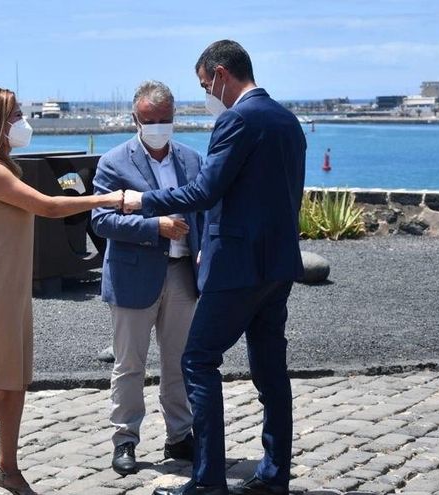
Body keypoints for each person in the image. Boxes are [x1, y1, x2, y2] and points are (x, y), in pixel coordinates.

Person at [123, 40, 307, 495]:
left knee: (197, 360)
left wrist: (141, 201)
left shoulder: (236, 120)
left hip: (237, 268)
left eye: (206, 85)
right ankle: (274, 476)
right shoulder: (289, 121)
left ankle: (207, 481)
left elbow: (204, 192)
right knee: (271, 373)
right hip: (279, 265)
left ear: (222, 75)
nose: (207, 95)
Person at [0, 86, 124, 495]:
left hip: (10, 286)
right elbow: (45, 207)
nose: (21, 122)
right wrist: (109, 199)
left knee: (14, 380)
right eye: (14, 116)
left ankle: (7, 469)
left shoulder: (2, 164)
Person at [91, 80, 204, 476]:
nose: (158, 126)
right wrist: (153, 226)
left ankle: (180, 434)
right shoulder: (114, 162)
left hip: (182, 275)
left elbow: (205, 210)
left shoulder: (192, 160)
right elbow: (102, 221)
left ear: (175, 118)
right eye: (150, 120)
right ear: (135, 119)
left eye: (165, 119)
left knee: (180, 362)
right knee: (129, 364)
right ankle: (125, 439)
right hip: (132, 277)